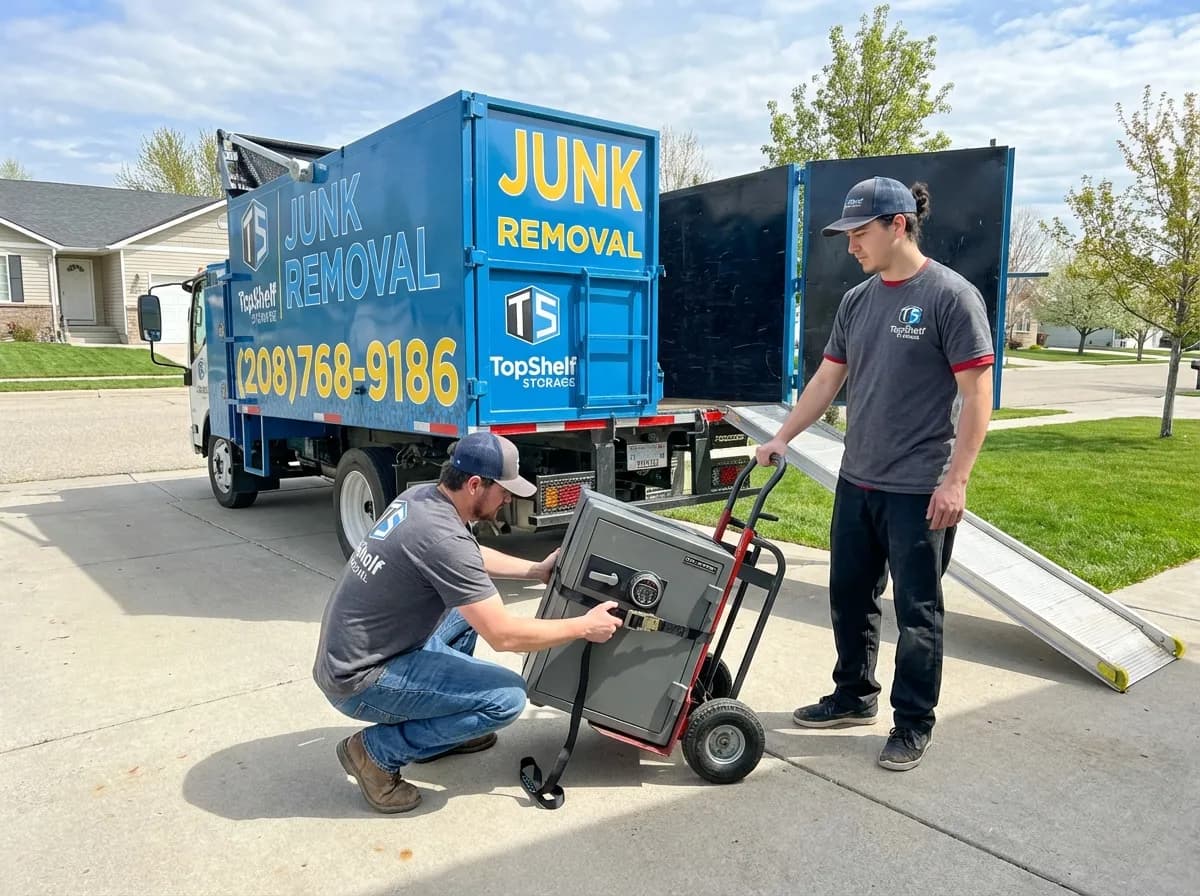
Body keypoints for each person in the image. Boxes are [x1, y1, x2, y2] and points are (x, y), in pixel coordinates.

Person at [755, 176, 994, 771]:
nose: (851, 245)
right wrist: (783, 435)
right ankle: (853, 696)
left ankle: (913, 723)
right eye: (847, 235)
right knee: (850, 598)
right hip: (858, 479)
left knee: (918, 612)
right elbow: (827, 379)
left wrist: (956, 479)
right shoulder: (858, 301)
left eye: (860, 233)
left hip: (919, 488)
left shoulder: (950, 296)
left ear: (899, 225)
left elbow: (977, 395)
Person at [313, 432, 622, 813]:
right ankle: (373, 754)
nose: (508, 498)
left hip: (360, 650)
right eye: (504, 490)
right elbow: (504, 635)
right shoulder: (440, 536)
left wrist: (535, 570)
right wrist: (584, 627)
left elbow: (469, 558)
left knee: (467, 609)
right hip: (360, 679)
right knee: (506, 698)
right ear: (475, 484)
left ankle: (441, 733)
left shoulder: (423, 499)